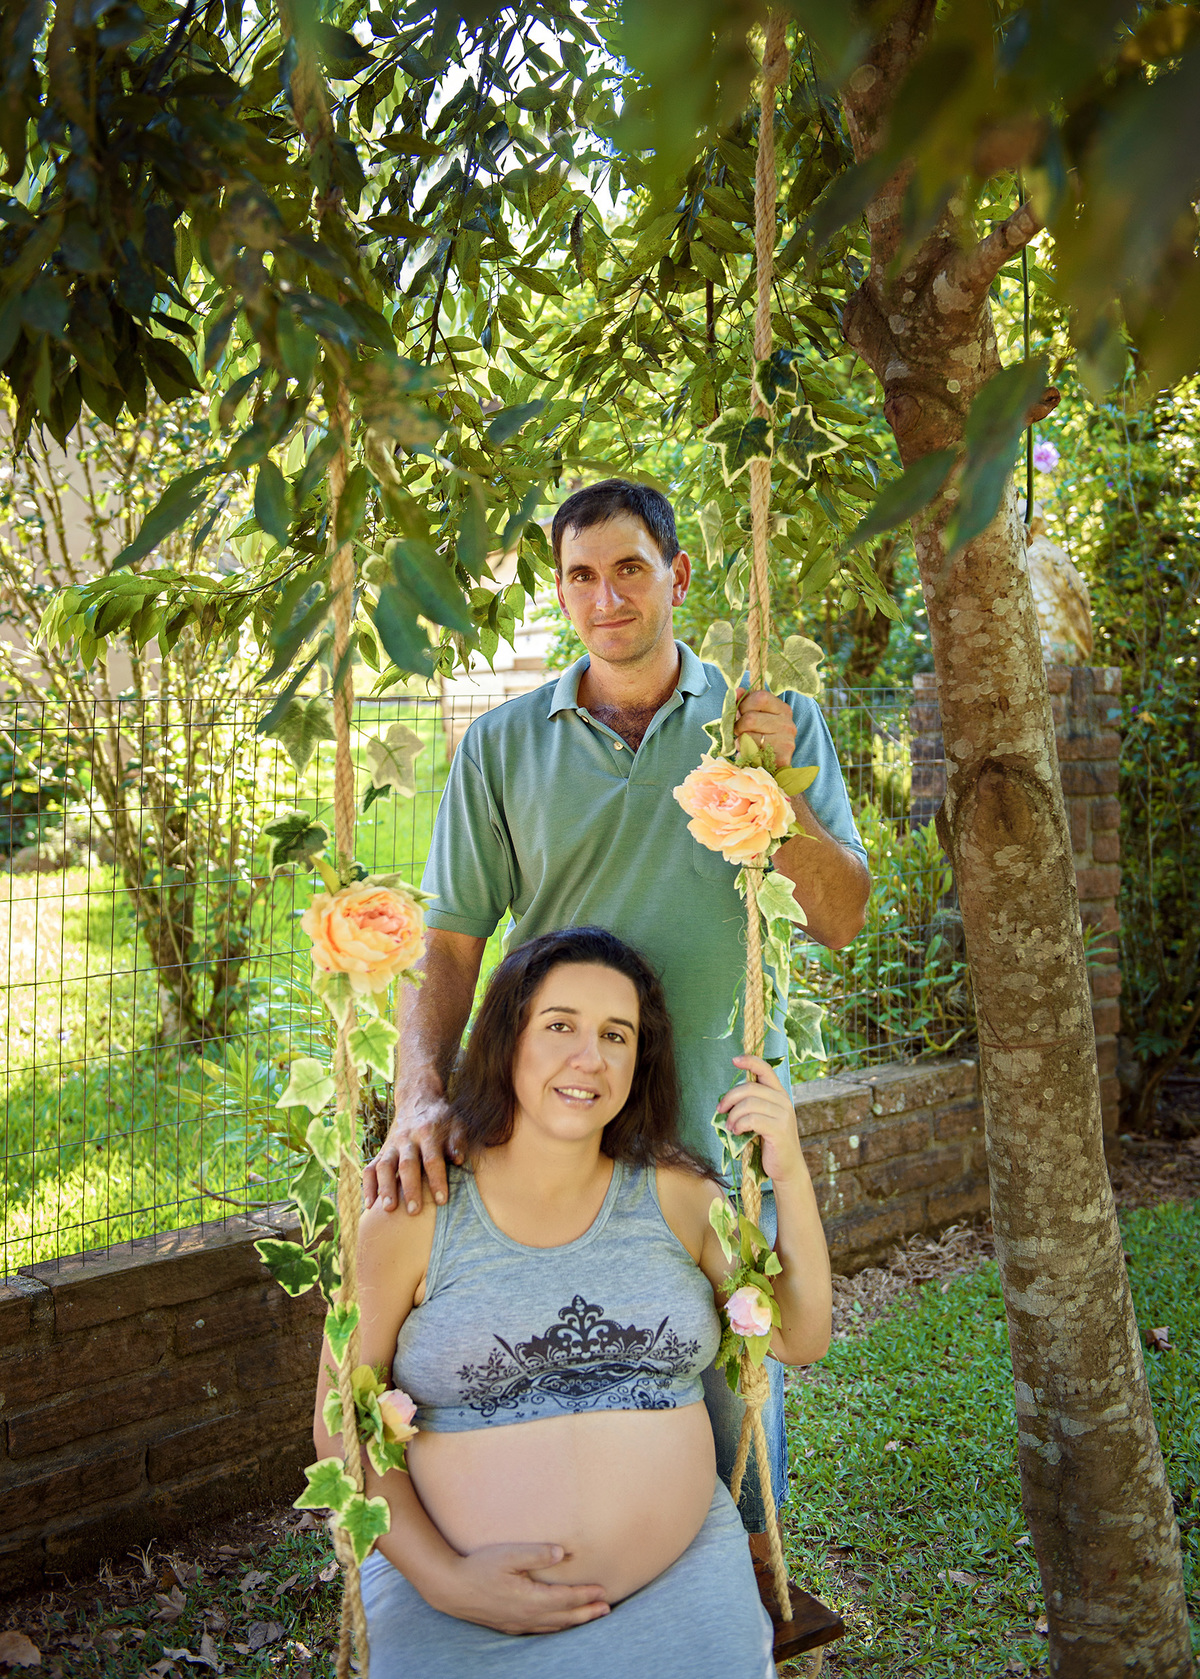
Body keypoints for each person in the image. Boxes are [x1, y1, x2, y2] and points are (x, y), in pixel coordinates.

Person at [363, 478, 869, 1644]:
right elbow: (451, 944)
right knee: (568, 1343)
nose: (607, 597)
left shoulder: (766, 721)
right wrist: (419, 1096)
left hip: (713, 1107)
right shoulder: (502, 744)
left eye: (631, 568)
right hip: (560, 1115)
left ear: (678, 574)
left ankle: (749, 1563)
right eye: (581, 575)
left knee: (739, 1348)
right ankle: (526, 1540)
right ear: (560, 591)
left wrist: (777, 792)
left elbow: (842, 918)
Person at [319, 928, 832, 1679]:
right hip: (459, 1607)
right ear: (509, 1039)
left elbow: (801, 1336)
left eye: (616, 1035)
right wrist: (443, 1579)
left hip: (680, 1584)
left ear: (638, 1060)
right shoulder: (413, 1213)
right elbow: (338, 1424)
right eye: (560, 1025)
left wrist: (790, 1171)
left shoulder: (680, 1197)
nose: (589, 1057)